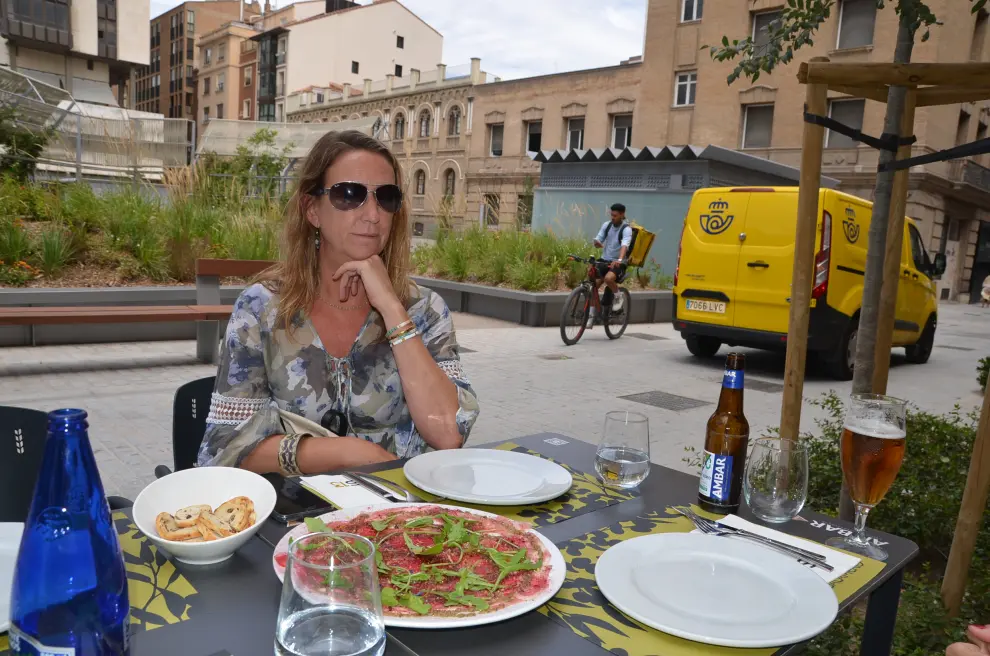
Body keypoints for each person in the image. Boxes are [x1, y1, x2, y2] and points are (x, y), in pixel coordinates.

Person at [198, 130, 479, 475]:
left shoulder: (424, 310)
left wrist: (392, 309)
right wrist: (346, 452)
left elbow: (449, 434)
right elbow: (224, 449)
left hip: (402, 517)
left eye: (386, 197)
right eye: (350, 194)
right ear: (312, 209)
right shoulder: (262, 310)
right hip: (297, 517)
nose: (373, 214)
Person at [591, 203, 632, 315]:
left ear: (622, 215)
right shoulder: (607, 225)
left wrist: (619, 260)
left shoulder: (626, 229)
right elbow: (599, 238)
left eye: (615, 215)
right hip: (605, 260)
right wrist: (597, 243)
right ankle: (591, 315)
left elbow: (625, 245)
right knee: (593, 285)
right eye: (611, 215)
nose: (612, 218)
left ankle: (619, 297)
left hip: (619, 262)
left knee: (608, 279)